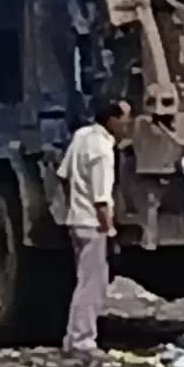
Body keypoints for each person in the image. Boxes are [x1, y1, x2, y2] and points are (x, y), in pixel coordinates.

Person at [59, 93, 127, 352]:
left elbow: (63, 175)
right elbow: (102, 199)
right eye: (124, 120)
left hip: (76, 221)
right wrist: (109, 230)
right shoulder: (103, 151)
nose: (127, 125)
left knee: (82, 282)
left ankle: (72, 338)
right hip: (93, 225)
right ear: (111, 120)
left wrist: (75, 204)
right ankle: (82, 341)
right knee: (92, 287)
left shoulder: (81, 137)